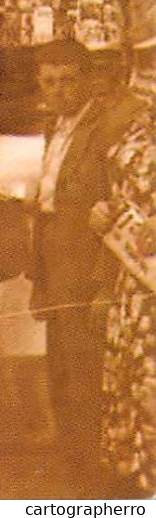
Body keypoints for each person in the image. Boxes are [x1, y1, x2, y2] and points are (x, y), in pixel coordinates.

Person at [28, 38, 144, 475]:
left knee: (89, 378)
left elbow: (120, 205)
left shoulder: (108, 127)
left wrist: (104, 284)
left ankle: (94, 473)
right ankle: (71, 463)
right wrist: (38, 280)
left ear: (88, 81)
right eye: (49, 82)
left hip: (89, 271)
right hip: (55, 268)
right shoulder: (53, 127)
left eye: (67, 81)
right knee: (61, 372)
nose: (58, 91)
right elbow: (50, 203)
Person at [93, 93, 156, 496]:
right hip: (137, 283)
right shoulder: (141, 124)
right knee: (139, 388)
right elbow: (127, 189)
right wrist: (103, 210)